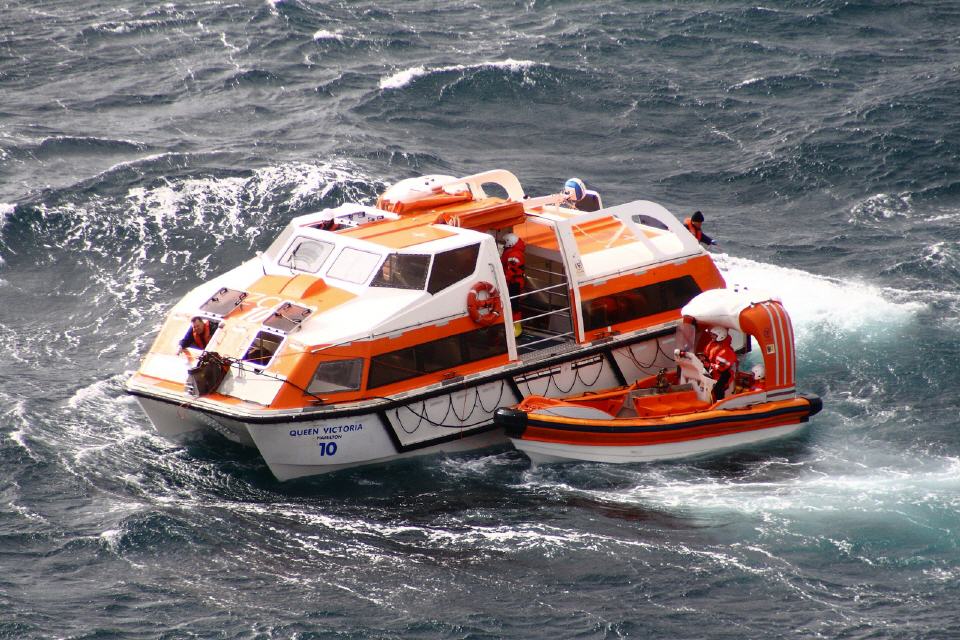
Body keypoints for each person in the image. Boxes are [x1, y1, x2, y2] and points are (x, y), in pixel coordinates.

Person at [500, 232, 526, 336]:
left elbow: (512, 271)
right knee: (511, 304)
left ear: (510, 242)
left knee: (514, 305)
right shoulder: (513, 252)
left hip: (514, 283)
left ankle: (517, 328)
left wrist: (503, 279)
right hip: (513, 282)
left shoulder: (514, 255)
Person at [703, 326, 736, 400]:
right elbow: (706, 355)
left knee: (718, 389)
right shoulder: (712, 344)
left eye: (714, 335)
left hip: (723, 374)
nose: (712, 336)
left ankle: (720, 402)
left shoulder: (726, 351)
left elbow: (721, 368)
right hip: (712, 371)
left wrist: (710, 365)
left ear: (720, 336)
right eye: (712, 334)